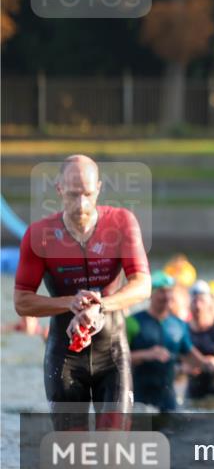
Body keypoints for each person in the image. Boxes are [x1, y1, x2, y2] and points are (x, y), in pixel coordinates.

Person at [13, 155, 151, 430]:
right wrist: (70, 303)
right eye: (73, 194)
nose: (81, 205)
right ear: (59, 189)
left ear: (98, 188)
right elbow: (22, 301)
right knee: (72, 455)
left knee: (112, 452)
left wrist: (99, 305)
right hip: (65, 357)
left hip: (111, 352)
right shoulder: (39, 234)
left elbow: (142, 284)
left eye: (88, 194)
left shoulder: (122, 223)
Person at [126, 271, 205, 413]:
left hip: (168, 400)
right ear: (151, 294)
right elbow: (116, 359)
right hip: (139, 400)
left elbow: (190, 354)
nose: (167, 296)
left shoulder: (179, 324)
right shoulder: (133, 322)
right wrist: (146, 354)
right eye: (162, 291)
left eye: (169, 292)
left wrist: (210, 364)